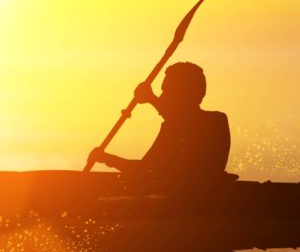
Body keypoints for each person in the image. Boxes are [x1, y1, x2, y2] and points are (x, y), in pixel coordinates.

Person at [89, 62, 230, 183]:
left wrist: (109, 159)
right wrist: (107, 158)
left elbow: (185, 122)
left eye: (167, 91)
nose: (162, 96)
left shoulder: (216, 122)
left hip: (193, 199)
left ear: (185, 94)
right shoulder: (172, 126)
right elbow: (146, 167)